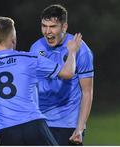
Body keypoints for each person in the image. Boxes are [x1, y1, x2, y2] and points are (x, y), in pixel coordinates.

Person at [0, 16, 82, 145]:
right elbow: (68, 73)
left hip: (6, 132)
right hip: (33, 125)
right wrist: (72, 52)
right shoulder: (29, 59)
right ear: (13, 38)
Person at [30, 4, 94, 145]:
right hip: (42, 121)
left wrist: (80, 127)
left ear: (64, 27)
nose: (47, 31)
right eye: (44, 26)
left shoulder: (81, 50)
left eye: (52, 26)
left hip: (69, 123)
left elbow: (87, 92)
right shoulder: (36, 48)